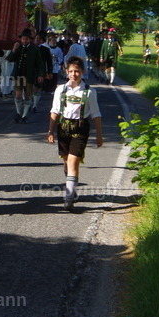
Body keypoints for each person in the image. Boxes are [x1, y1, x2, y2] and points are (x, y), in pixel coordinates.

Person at [46, 56, 103, 212]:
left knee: (73, 161)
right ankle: (72, 186)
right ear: (66, 72)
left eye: (76, 71)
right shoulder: (60, 90)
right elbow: (55, 111)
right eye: (70, 71)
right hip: (64, 127)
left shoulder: (89, 91)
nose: (73, 74)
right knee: (66, 161)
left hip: (80, 128)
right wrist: (50, 130)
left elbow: (96, 114)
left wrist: (99, 134)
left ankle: (69, 198)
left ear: (82, 72)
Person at [5, 29, 43, 123]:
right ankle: (18, 112)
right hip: (18, 75)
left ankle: (24, 115)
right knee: (18, 95)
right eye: (23, 39)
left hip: (29, 75)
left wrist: (40, 74)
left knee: (27, 95)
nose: (25, 40)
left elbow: (39, 63)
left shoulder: (35, 49)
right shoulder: (18, 48)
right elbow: (9, 59)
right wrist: (13, 50)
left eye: (26, 39)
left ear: (30, 39)